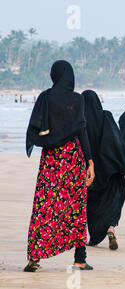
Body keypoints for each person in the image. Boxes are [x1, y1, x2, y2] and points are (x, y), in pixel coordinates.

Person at [24, 60, 95, 272]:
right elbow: (81, 130)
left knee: (44, 205)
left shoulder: (45, 98)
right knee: (76, 207)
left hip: (51, 160)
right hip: (72, 158)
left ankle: (34, 258)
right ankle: (79, 259)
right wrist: (90, 161)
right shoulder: (77, 99)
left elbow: (35, 127)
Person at [82, 90, 125, 250]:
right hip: (111, 168)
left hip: (91, 171)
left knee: (92, 204)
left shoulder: (81, 120)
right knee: (115, 197)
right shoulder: (106, 116)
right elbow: (116, 140)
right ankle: (111, 227)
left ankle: (94, 237)